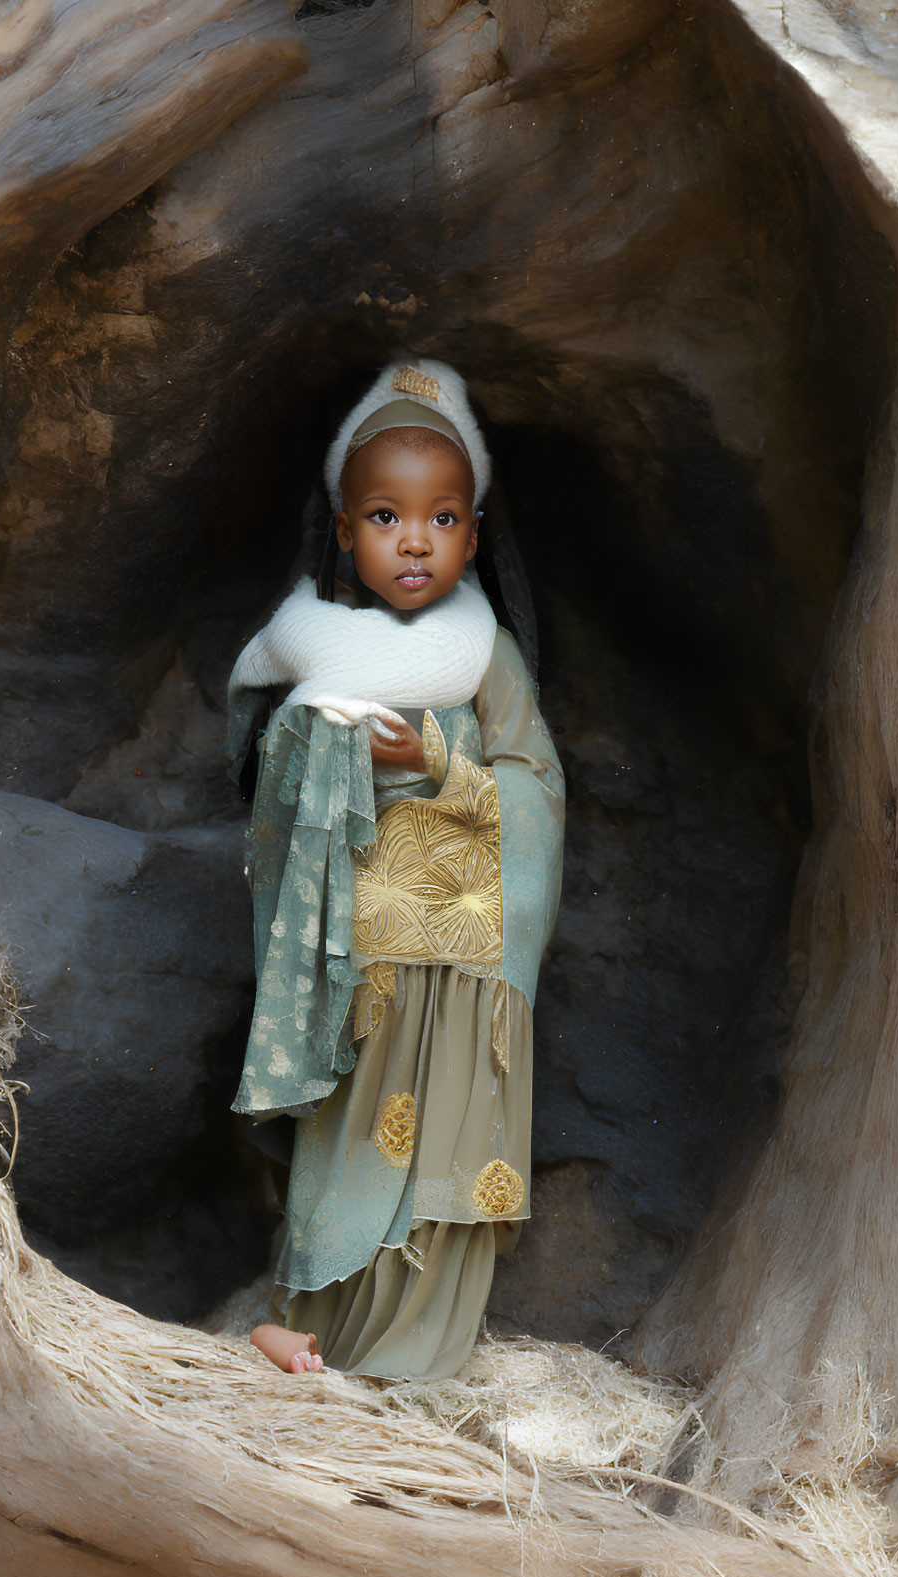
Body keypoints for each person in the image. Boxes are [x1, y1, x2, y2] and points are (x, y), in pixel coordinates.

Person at [228, 359, 564, 1378]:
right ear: (343, 531)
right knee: (349, 1131)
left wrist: (434, 764)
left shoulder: (482, 655)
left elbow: (537, 786)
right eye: (384, 514)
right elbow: (266, 783)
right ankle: (304, 1317)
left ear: (472, 530)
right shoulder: (319, 649)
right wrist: (315, 751)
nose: (414, 540)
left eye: (441, 518)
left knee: (440, 1148)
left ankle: (410, 1354)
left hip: (459, 947)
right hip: (357, 940)